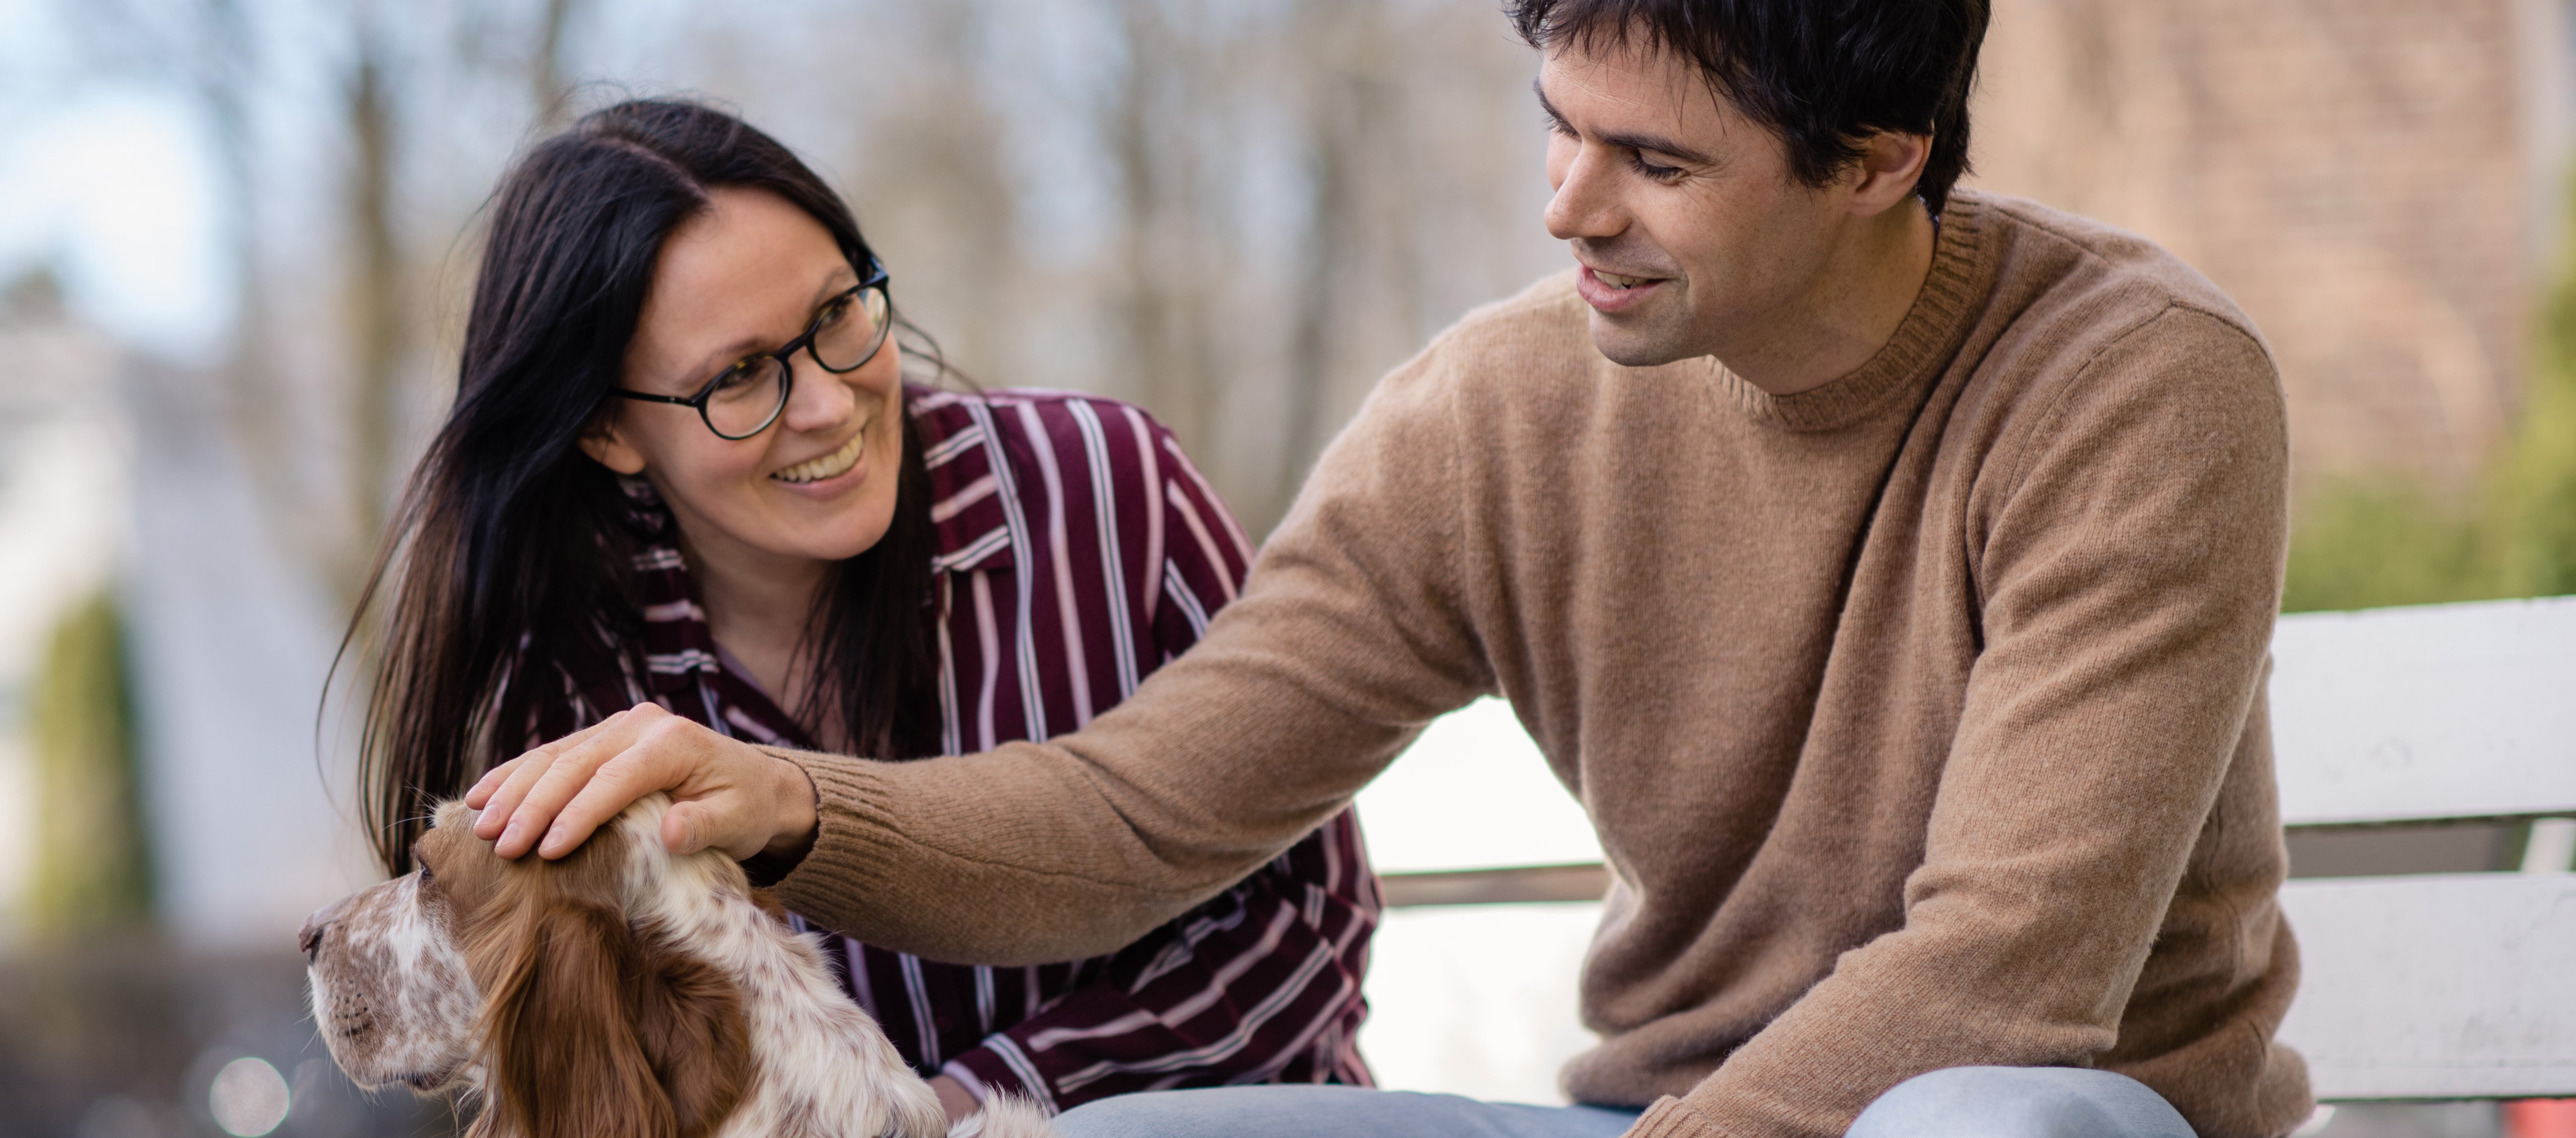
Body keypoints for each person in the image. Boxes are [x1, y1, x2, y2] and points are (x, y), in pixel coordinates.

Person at [466, 2, 2317, 1136]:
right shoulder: (1500, 413)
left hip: (2040, 1109)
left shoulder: (2132, 384)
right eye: (1557, 122)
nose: (1566, 204)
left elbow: (1998, 974)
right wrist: (794, 806)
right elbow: (1141, 811)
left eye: (1650, 158)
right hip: (1648, 1118)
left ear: (1872, 160)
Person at [348, 99, 1380, 1122]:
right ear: (609, 433)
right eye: (741, 376)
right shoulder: (571, 690)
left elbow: (1312, 915)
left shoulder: (1109, 492)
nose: (830, 404)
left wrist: (971, 1105)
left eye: (838, 313)